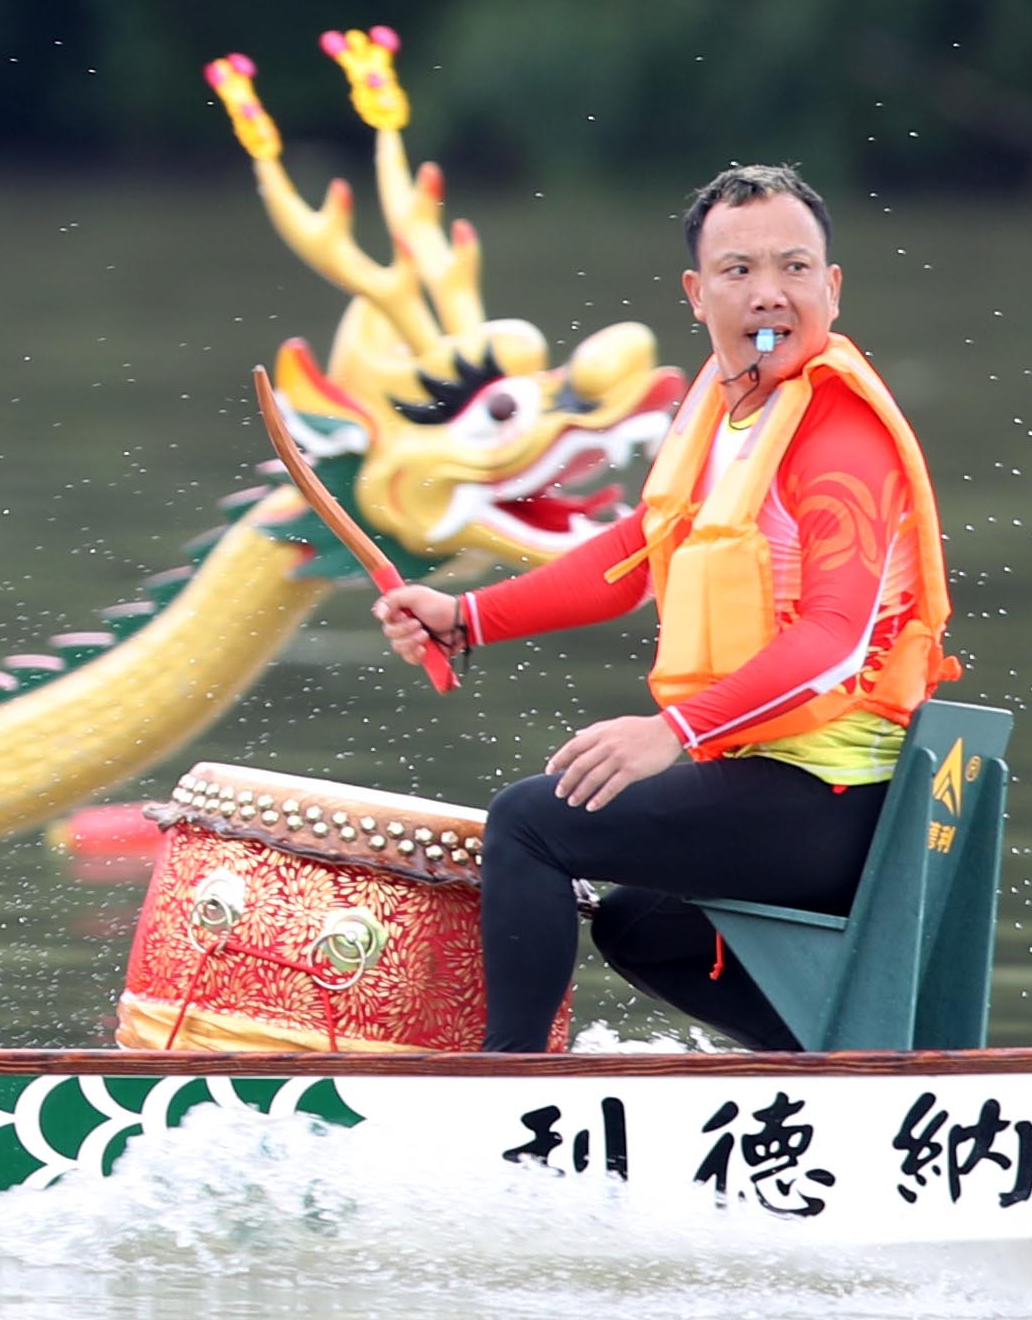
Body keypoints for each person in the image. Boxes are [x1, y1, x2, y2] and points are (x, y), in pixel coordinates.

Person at [377, 164, 955, 1053]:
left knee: (529, 824)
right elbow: (637, 553)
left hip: (842, 802)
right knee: (639, 926)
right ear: (696, 293)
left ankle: (506, 1086)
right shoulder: (726, 408)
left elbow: (836, 642)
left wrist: (671, 732)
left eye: (795, 268)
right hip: (772, 779)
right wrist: (468, 617)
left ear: (832, 288)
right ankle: (839, 1068)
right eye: (739, 270)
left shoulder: (839, 432)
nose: (770, 294)